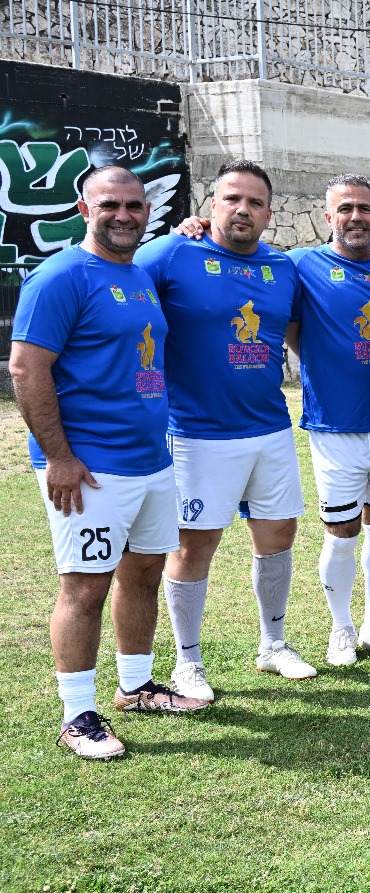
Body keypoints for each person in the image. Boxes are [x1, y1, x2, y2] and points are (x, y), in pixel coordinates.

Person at [12, 165, 206, 759]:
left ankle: (137, 686)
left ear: (148, 211)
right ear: (83, 209)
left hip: (150, 460)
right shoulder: (60, 276)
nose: (123, 215)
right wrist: (59, 457)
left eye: (134, 205)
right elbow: (26, 368)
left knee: (143, 574)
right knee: (84, 589)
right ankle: (77, 716)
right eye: (110, 205)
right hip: (90, 468)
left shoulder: (137, 273)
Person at [135, 160, 312, 702]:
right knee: (194, 546)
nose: (243, 209)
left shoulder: (282, 267)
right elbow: (117, 289)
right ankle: (188, 662)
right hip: (196, 433)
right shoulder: (170, 254)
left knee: (278, 535)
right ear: (211, 205)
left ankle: (273, 644)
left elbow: (297, 334)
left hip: (270, 427)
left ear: (269, 214)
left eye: (255, 202)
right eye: (232, 198)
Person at [283, 175, 370, 667]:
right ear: (328, 215)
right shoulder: (302, 265)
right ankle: (341, 628)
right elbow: (291, 326)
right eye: (345, 208)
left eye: (364, 208)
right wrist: (194, 227)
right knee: (341, 530)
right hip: (335, 427)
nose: (356, 217)